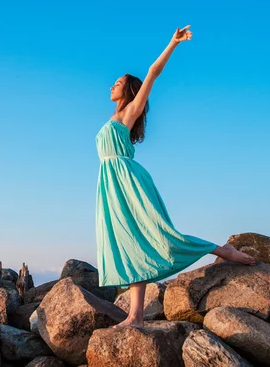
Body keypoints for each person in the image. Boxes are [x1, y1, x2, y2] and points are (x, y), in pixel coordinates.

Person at [95, 25, 257, 328]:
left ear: (128, 90)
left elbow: (153, 72)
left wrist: (173, 42)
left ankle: (221, 250)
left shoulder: (129, 112)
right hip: (110, 184)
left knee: (157, 237)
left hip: (127, 181)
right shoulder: (113, 118)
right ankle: (137, 316)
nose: (111, 86)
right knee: (129, 244)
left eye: (116, 83)